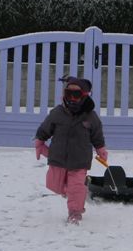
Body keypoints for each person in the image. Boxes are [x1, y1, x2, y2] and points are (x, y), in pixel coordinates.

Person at [34, 76, 108, 225]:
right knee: (55, 185)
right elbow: (45, 128)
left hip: (79, 160)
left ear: (85, 95)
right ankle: (71, 193)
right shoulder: (57, 112)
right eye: (69, 94)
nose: (72, 98)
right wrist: (40, 141)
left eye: (77, 94)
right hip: (58, 157)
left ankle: (75, 212)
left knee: (75, 187)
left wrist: (100, 149)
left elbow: (97, 135)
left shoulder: (90, 117)